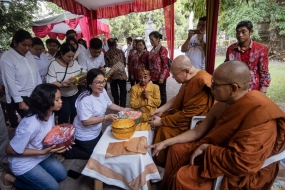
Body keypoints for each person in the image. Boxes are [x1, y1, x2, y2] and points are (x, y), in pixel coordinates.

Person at [147, 60, 285, 190]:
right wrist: (165, 143)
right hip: (220, 150)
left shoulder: (261, 115)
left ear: (233, 88)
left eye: (215, 85)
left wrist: (207, 148)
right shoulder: (222, 104)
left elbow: (243, 163)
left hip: (238, 169)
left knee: (182, 178)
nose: (211, 88)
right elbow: (198, 132)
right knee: (176, 150)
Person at [148, 55, 214, 164]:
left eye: (174, 75)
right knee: (162, 115)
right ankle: (157, 154)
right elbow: (178, 97)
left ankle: (162, 161)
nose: (173, 78)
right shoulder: (189, 78)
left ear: (186, 71)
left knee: (164, 129)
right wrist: (162, 108)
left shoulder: (201, 81)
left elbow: (187, 116)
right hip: (183, 115)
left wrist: (162, 122)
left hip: (191, 123)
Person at [2, 83, 67, 190]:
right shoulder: (30, 124)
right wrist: (43, 152)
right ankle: (10, 178)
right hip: (23, 163)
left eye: (60, 98)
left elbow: (48, 135)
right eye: (57, 99)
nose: (61, 102)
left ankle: (38, 171)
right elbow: (9, 150)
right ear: (45, 102)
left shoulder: (50, 112)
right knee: (52, 188)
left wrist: (64, 141)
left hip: (41, 155)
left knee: (62, 175)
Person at [64, 69, 132, 159]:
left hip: (96, 130)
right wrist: (106, 117)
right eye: (98, 82)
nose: (102, 85)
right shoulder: (85, 99)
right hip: (85, 135)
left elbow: (109, 104)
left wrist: (123, 109)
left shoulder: (102, 91)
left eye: (103, 82)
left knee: (101, 148)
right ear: (89, 83)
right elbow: (86, 121)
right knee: (93, 155)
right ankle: (66, 151)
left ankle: (81, 146)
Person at [0, 29, 42, 119]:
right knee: (31, 120)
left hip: (34, 93)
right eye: (24, 45)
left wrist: (40, 91)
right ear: (15, 43)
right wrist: (19, 101)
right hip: (22, 96)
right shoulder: (7, 58)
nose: (27, 48)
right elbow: (9, 82)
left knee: (39, 118)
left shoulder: (29, 55)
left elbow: (36, 74)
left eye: (29, 46)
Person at [225, 20, 271, 93]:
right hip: (234, 90)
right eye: (238, 32)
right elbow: (226, 68)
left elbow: (264, 72)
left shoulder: (261, 49)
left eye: (243, 32)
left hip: (253, 90)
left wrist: (263, 91)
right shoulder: (231, 49)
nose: (240, 35)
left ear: (251, 32)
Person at [46, 42, 82, 124]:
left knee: (75, 112)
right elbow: (51, 81)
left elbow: (80, 74)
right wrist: (61, 85)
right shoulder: (53, 64)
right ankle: (63, 132)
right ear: (61, 53)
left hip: (74, 92)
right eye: (68, 56)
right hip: (61, 95)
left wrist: (81, 79)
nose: (71, 59)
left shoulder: (75, 63)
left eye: (72, 56)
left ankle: (74, 130)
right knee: (64, 113)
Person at [148, 31, 170, 107]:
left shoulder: (162, 50)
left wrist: (162, 77)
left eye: (152, 40)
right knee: (156, 92)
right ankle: (157, 107)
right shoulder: (152, 50)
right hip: (154, 76)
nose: (151, 42)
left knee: (162, 93)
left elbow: (165, 65)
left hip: (161, 76)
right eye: (150, 40)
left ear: (157, 39)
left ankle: (163, 108)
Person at [104, 38, 128, 107]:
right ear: (115, 44)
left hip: (112, 75)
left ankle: (116, 104)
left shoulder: (107, 54)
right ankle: (123, 106)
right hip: (122, 74)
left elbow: (107, 66)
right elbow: (124, 62)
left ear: (108, 45)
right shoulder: (121, 52)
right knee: (123, 91)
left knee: (114, 91)